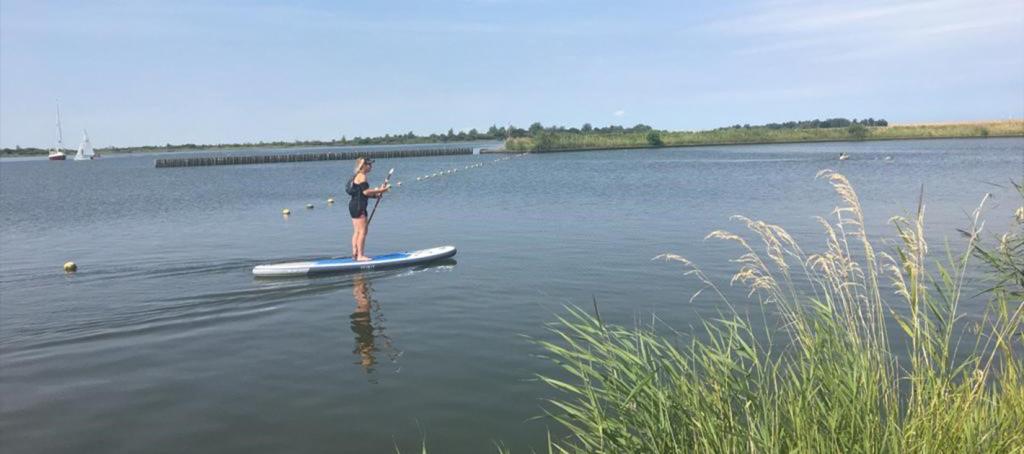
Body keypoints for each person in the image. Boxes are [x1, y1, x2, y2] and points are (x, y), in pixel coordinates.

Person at [346, 157, 390, 261]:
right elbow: (366, 192)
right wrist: (382, 190)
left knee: (357, 231)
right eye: (369, 164)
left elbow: (361, 193)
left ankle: (355, 254)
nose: (371, 166)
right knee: (362, 231)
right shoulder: (362, 177)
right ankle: (360, 256)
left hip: (353, 205)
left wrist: (376, 196)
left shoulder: (356, 176)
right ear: (364, 166)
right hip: (359, 206)